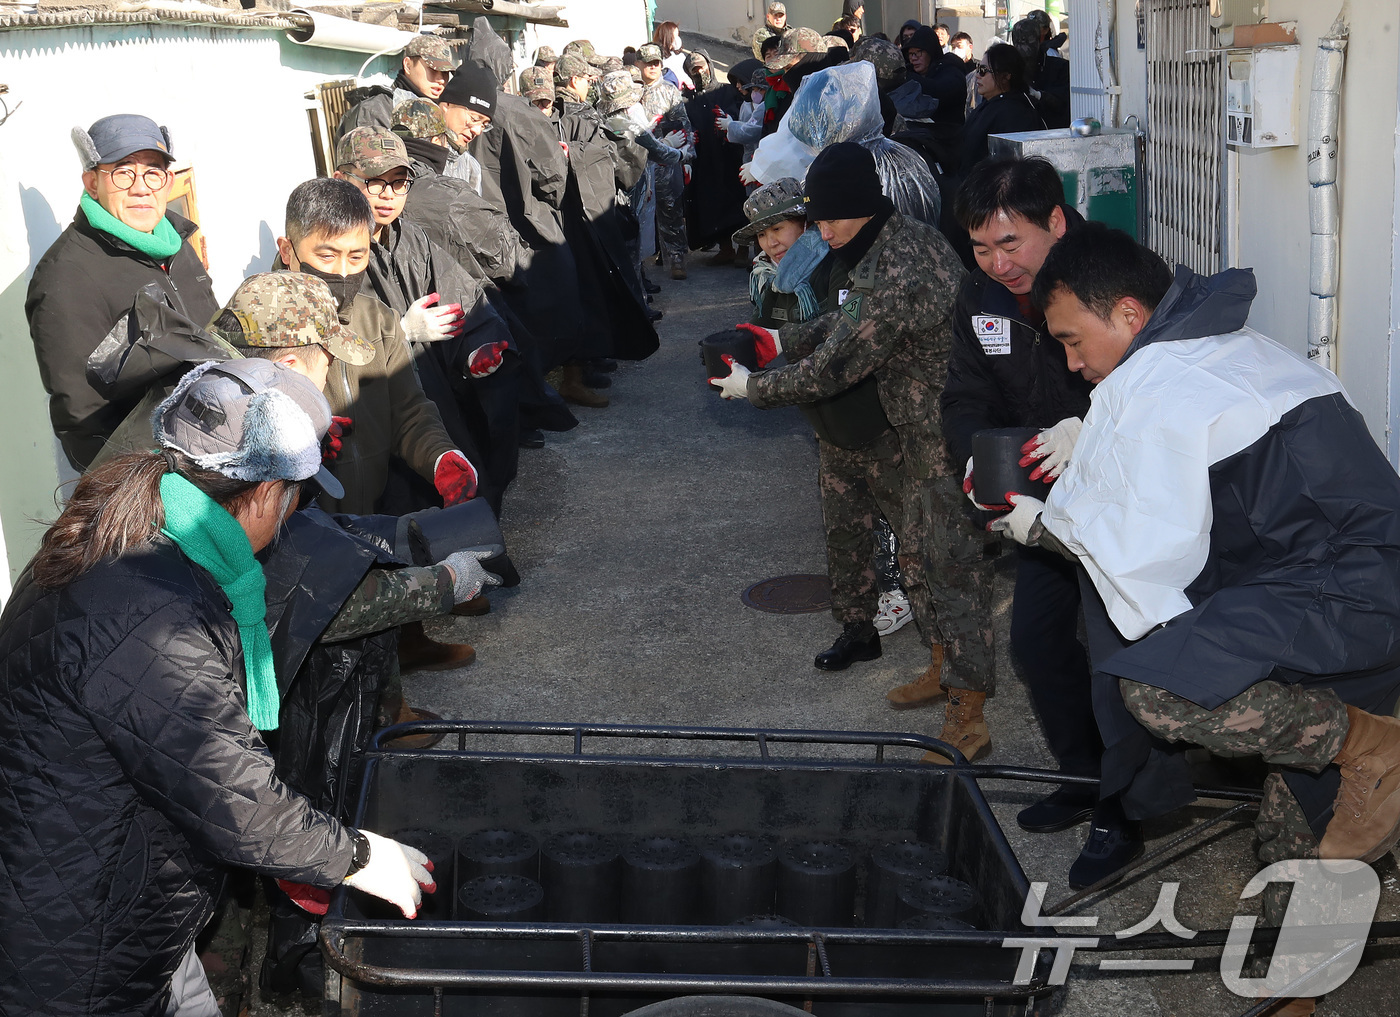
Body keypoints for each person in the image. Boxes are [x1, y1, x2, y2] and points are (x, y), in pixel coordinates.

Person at [995, 226, 1400, 1013]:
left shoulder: (1160, 384)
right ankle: (1301, 990)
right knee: (1301, 831)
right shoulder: (1235, 347)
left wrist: (1039, 523)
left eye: (1076, 341)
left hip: (1348, 595)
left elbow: (1136, 558)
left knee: (1161, 687)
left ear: (1131, 314)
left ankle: (1376, 749)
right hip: (1336, 587)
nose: (1073, 365)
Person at [0, 357, 437, 1016]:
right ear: (262, 494)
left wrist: (292, 853)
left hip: (114, 893)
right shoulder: (152, 614)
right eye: (293, 497)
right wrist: (353, 855)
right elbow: (231, 792)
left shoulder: (118, 529)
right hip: (76, 943)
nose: (289, 516)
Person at [711, 144, 996, 762]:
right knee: (920, 558)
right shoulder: (885, 245)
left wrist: (753, 387)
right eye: (818, 219)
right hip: (917, 435)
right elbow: (845, 321)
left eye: (833, 218)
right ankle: (942, 666)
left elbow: (836, 364)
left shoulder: (900, 266)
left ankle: (969, 715)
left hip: (944, 439)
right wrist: (776, 338)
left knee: (953, 573)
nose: (824, 231)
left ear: (865, 208)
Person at [939, 157, 1141, 889]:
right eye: (981, 247)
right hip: (1041, 506)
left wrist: (1092, 426)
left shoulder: (1115, 272)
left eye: (1011, 243)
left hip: (1130, 502)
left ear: (1056, 221)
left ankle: (1125, 808)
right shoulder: (980, 296)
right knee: (1037, 643)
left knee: (1118, 655)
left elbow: (1159, 379)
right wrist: (971, 456)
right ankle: (1084, 777)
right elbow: (964, 392)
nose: (998, 263)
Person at [736, 178, 913, 653]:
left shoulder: (842, 266)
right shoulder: (774, 279)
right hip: (825, 419)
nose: (771, 242)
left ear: (808, 224)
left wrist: (759, 384)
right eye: (761, 234)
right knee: (843, 527)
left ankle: (901, 595)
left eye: (780, 228)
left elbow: (841, 342)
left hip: (873, 416)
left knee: (896, 516)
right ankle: (856, 629)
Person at [27, 113, 219, 471]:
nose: (141, 187)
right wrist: (155, 492)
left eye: (153, 171)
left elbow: (216, 342)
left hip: (220, 455)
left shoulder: (174, 244)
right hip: (159, 484)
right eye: (123, 171)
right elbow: (83, 420)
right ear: (92, 183)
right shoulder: (66, 276)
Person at [683, 49, 749, 265]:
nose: (699, 72)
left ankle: (744, 249)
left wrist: (730, 120)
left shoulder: (728, 91)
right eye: (694, 70)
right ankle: (725, 247)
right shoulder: (690, 101)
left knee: (739, 201)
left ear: (709, 66)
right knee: (713, 203)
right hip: (706, 161)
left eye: (701, 67)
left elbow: (741, 113)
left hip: (731, 156)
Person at [638, 42, 695, 280]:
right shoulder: (632, 90)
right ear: (639, 64)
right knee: (640, 211)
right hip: (640, 160)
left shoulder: (669, 91)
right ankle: (647, 258)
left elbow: (683, 125)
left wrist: (686, 155)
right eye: (648, 63)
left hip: (666, 159)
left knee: (671, 208)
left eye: (657, 63)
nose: (653, 67)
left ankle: (677, 256)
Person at [337, 35, 458, 138]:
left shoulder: (442, 112)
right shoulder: (375, 111)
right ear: (408, 65)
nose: (441, 79)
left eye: (445, 72)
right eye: (433, 69)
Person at [957, 43, 1046, 173]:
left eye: (983, 71)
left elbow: (1009, 168)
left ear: (1005, 76)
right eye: (978, 69)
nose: (977, 75)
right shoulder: (990, 103)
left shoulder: (1015, 113)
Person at [652, 20, 689, 92]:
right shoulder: (658, 59)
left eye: (678, 36)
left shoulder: (680, 56)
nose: (677, 40)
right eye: (674, 36)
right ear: (667, 38)